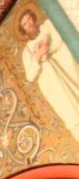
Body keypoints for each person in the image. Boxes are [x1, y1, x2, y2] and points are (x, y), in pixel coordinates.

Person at [20, 8, 79, 142]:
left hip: (69, 71)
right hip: (55, 87)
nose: (28, 24)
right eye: (24, 24)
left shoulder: (48, 26)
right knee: (72, 116)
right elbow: (30, 76)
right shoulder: (27, 51)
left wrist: (44, 50)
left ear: (34, 19)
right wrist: (37, 56)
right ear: (23, 30)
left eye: (29, 19)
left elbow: (58, 41)